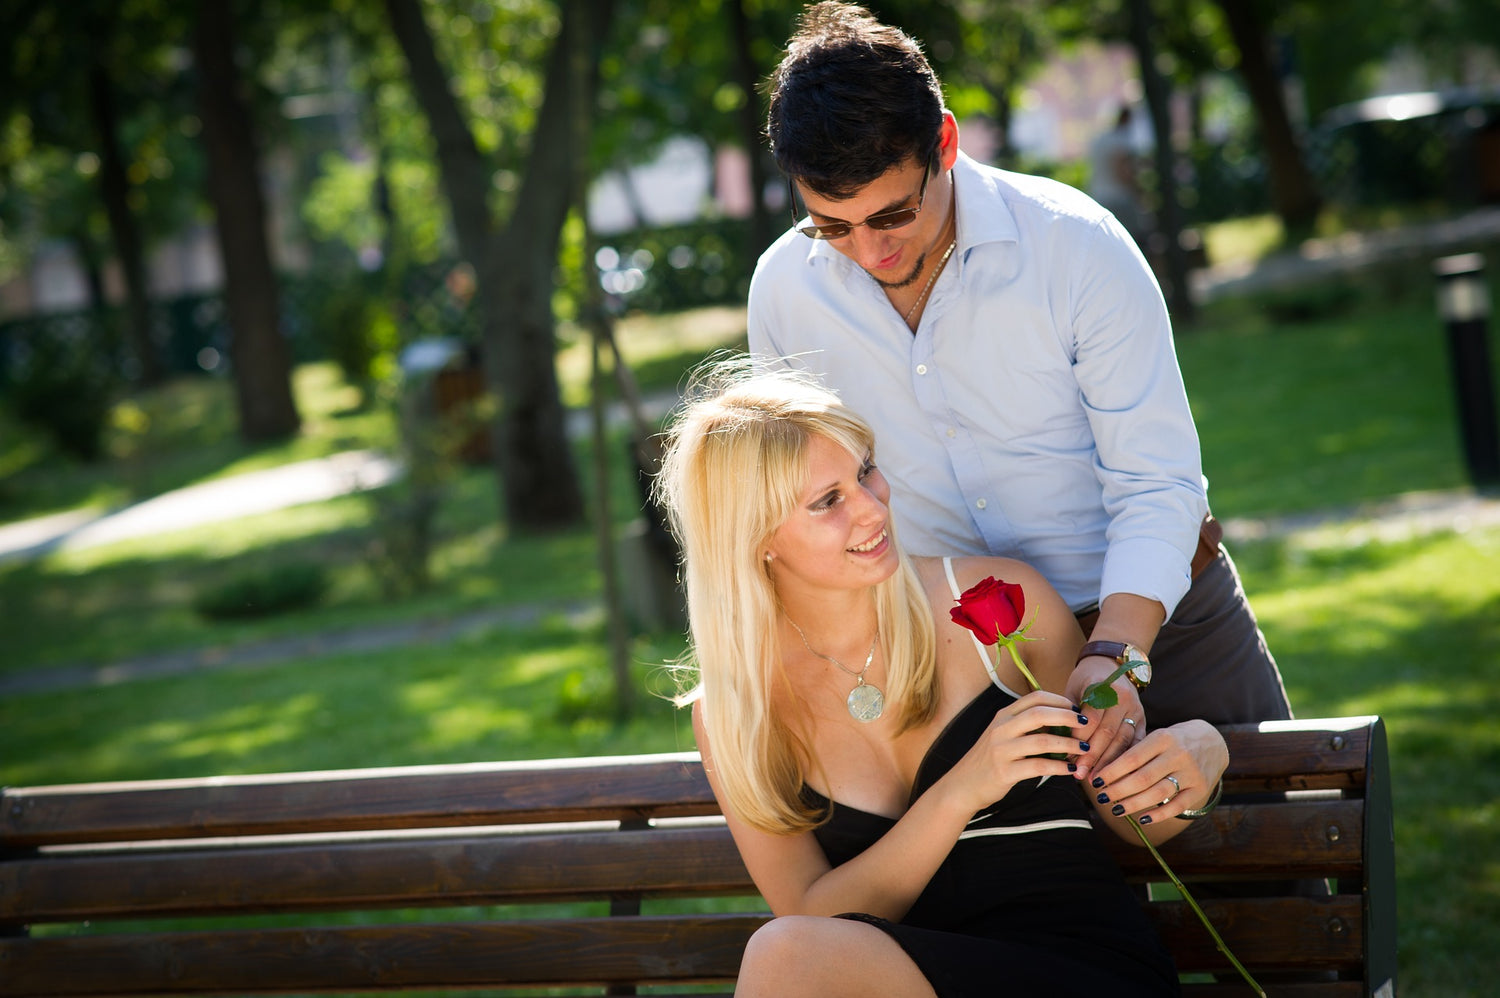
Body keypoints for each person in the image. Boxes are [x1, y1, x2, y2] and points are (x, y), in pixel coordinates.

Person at [747, 2, 1292, 779]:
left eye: (894, 213)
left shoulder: (1076, 244)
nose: (869, 249)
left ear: (945, 141)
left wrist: (1117, 652)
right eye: (833, 226)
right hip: (964, 661)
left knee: (1270, 879)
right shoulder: (782, 293)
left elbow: (1157, 481)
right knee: (1061, 903)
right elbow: (796, 502)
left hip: (1164, 624)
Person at [653, 362, 1227, 998]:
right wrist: (963, 789)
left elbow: (1130, 818)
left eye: (866, 470)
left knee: (785, 954)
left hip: (1081, 967)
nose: (873, 509)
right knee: (788, 950)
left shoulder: (997, 601)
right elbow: (813, 920)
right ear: (756, 539)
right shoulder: (736, 713)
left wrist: (1204, 750)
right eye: (828, 502)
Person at [1087, 104, 1151, 252]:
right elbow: (1122, 171)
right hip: (1119, 199)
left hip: (1099, 197)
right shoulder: (1120, 140)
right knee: (1135, 242)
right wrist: (1139, 191)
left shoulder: (1100, 139)